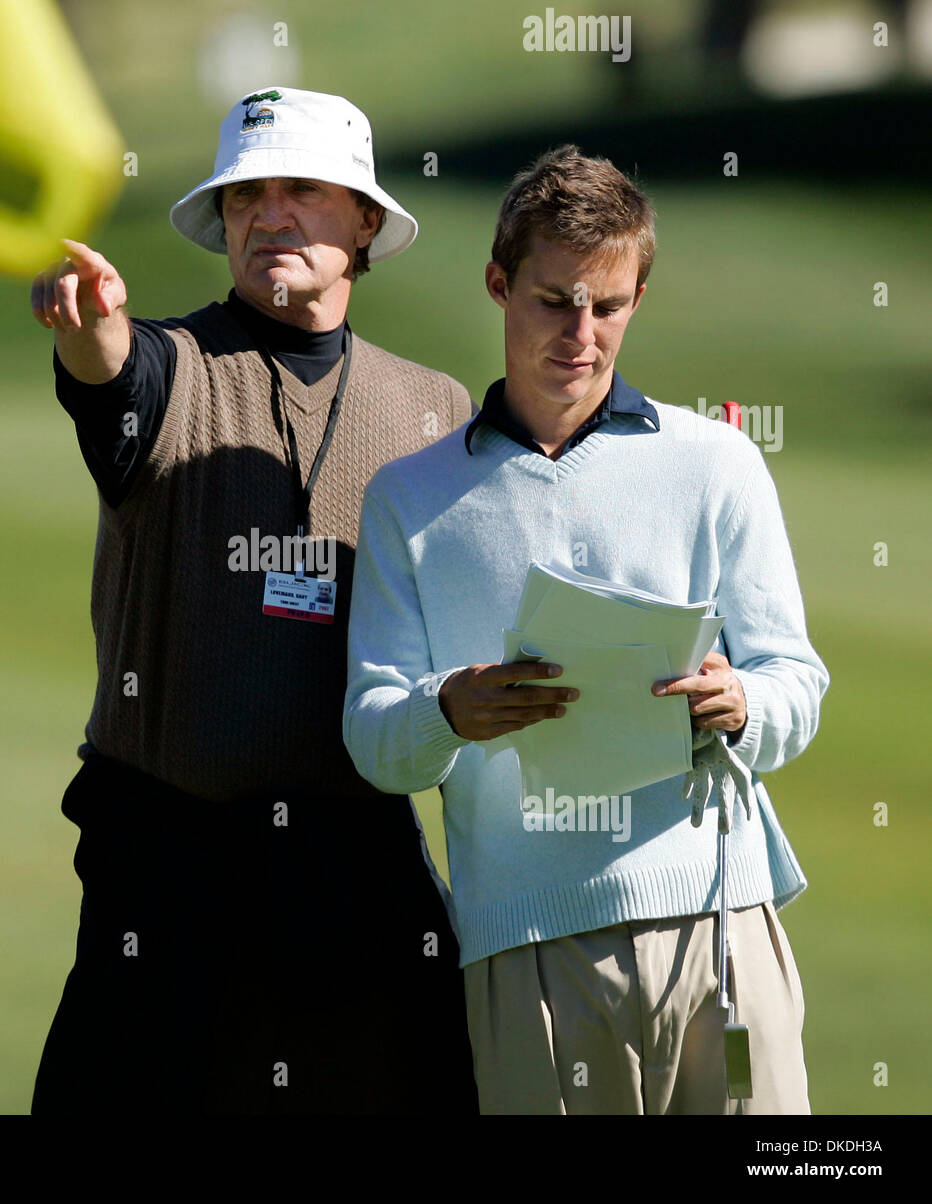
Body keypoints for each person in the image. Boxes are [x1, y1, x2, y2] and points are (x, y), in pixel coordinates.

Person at [343, 145, 828, 1114]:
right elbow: (375, 734)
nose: (581, 333)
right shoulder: (409, 497)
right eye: (553, 300)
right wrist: (447, 709)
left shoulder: (718, 462)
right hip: (525, 942)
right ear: (498, 284)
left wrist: (743, 702)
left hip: (719, 920)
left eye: (607, 306)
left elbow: (795, 681)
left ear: (636, 297)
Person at [28, 86, 478, 1113]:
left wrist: (689, 452)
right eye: (247, 196)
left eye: (303, 192)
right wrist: (89, 325)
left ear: (363, 222)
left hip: (351, 853)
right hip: (167, 856)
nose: (270, 214)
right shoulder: (172, 366)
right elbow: (107, 372)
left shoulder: (434, 408)